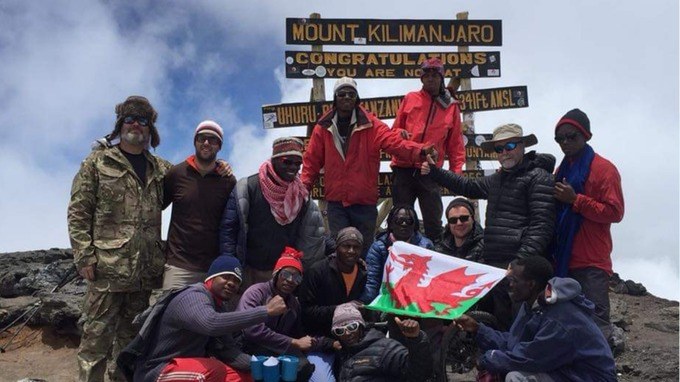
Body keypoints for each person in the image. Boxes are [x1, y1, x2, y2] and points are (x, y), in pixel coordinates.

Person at [67, 95, 172, 381]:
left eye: (143, 120)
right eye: (130, 119)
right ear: (119, 125)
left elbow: (191, 177)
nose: (136, 124)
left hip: (142, 276)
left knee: (129, 347)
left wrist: (221, 168)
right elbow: (78, 212)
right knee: (95, 344)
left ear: (150, 130)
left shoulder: (160, 169)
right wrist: (84, 256)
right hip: (106, 271)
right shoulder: (98, 162)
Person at [421, 123, 556, 330]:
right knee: (502, 323)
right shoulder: (497, 179)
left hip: (522, 269)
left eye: (510, 146)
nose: (504, 153)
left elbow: (542, 226)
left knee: (523, 326)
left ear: (522, 146)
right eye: (499, 149)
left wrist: (520, 262)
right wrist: (435, 172)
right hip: (495, 266)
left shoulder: (539, 177)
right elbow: (467, 186)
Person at [302, 76, 435, 255]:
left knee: (364, 253)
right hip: (336, 204)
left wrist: (421, 151)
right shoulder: (323, 128)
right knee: (339, 252)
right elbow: (311, 162)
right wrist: (303, 191)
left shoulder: (373, 125)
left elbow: (395, 143)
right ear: (335, 98)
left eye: (351, 93)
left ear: (357, 98)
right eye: (342, 93)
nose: (347, 97)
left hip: (364, 203)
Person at [453, 256, 617, 382]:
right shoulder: (533, 305)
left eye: (513, 281)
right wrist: (477, 329)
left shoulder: (560, 317)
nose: (509, 286)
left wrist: (489, 359)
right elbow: (514, 344)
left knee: (516, 377)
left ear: (530, 284)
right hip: (567, 372)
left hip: (589, 378)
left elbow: (529, 358)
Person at [128, 256, 288, 382]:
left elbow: (227, 350)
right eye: (226, 277)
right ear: (211, 278)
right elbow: (211, 323)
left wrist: (261, 364)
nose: (232, 283)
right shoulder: (193, 296)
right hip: (157, 371)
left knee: (246, 377)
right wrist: (265, 311)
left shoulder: (218, 306)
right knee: (213, 370)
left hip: (185, 368)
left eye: (236, 281)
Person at [552, 108, 625, 345]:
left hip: (592, 263)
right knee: (566, 326)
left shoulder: (604, 169)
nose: (565, 142)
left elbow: (615, 212)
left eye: (571, 136)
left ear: (586, 135)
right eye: (559, 138)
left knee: (597, 328)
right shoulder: (560, 171)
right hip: (563, 259)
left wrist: (576, 201)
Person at [220, 137, 326, 289]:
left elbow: (312, 237)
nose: (293, 167)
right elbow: (229, 229)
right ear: (274, 160)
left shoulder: (302, 196)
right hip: (247, 270)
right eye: (287, 162)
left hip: (281, 276)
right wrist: (229, 267)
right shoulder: (249, 187)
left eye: (297, 163)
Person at [391, 57, 465, 243]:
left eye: (435, 75)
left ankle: (435, 259)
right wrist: (401, 133)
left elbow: (456, 144)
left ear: (441, 77)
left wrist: (455, 175)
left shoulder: (451, 107)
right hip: (403, 167)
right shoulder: (410, 98)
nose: (431, 78)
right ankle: (398, 256)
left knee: (433, 222)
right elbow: (394, 131)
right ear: (421, 78)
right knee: (401, 219)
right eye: (427, 75)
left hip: (430, 171)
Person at [236, 247, 334, 381]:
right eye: (286, 274)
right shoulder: (256, 293)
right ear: (276, 274)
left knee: (303, 366)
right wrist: (293, 342)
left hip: (276, 348)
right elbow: (251, 330)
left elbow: (300, 335)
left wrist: (327, 343)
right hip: (248, 346)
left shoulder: (293, 304)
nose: (290, 280)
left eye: (297, 277)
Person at [162, 120, 237, 289]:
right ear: (194, 141)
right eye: (202, 138)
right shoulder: (176, 173)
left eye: (213, 140)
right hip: (178, 265)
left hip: (212, 269)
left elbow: (233, 223)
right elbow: (155, 208)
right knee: (167, 314)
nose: (206, 143)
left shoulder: (228, 181)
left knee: (209, 316)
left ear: (219, 146)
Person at [297, 227, 368, 382]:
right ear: (337, 247)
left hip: (353, 341)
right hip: (320, 341)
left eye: (356, 247)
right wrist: (342, 309)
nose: (351, 251)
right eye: (346, 246)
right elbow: (305, 312)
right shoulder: (317, 271)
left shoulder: (364, 273)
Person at [331, 303, 433, 381]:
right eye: (340, 331)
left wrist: (415, 339)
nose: (348, 333)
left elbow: (419, 373)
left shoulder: (385, 348)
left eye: (352, 326)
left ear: (362, 326)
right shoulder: (343, 354)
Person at [359, 204, 434, 305]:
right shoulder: (378, 248)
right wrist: (361, 302)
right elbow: (372, 283)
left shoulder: (426, 246)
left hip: (418, 302)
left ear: (415, 225)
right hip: (388, 301)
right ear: (391, 224)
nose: (404, 224)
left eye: (409, 221)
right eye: (399, 220)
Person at [435, 197, 484, 262]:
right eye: (453, 220)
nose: (459, 223)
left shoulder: (486, 248)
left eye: (464, 218)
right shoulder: (438, 249)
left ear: (472, 219)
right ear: (448, 223)